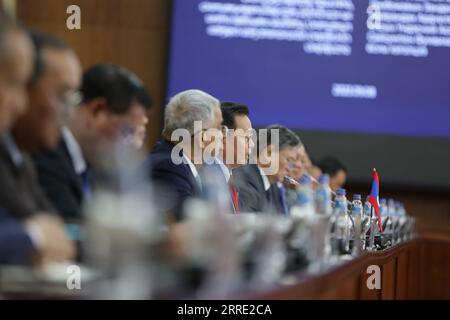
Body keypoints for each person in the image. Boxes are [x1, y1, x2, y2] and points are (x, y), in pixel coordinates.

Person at [32, 64, 152, 221]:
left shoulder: (93, 167)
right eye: (126, 132)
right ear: (97, 110)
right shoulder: (47, 154)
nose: (129, 144)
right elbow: (72, 232)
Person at [0, 18, 74, 264]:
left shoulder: (23, 157)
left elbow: (58, 231)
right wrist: (32, 237)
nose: (20, 104)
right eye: (14, 84)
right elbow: (41, 232)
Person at [144, 89, 223, 221]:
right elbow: (192, 227)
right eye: (220, 128)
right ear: (203, 138)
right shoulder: (169, 168)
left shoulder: (176, 162)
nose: (223, 135)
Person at [234, 124, 302, 214]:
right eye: (288, 160)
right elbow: (249, 222)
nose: (290, 169)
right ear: (269, 152)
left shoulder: (273, 184)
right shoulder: (246, 178)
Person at [218, 102, 255, 213]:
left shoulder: (232, 179)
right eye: (247, 138)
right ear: (223, 136)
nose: (252, 144)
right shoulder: (206, 178)